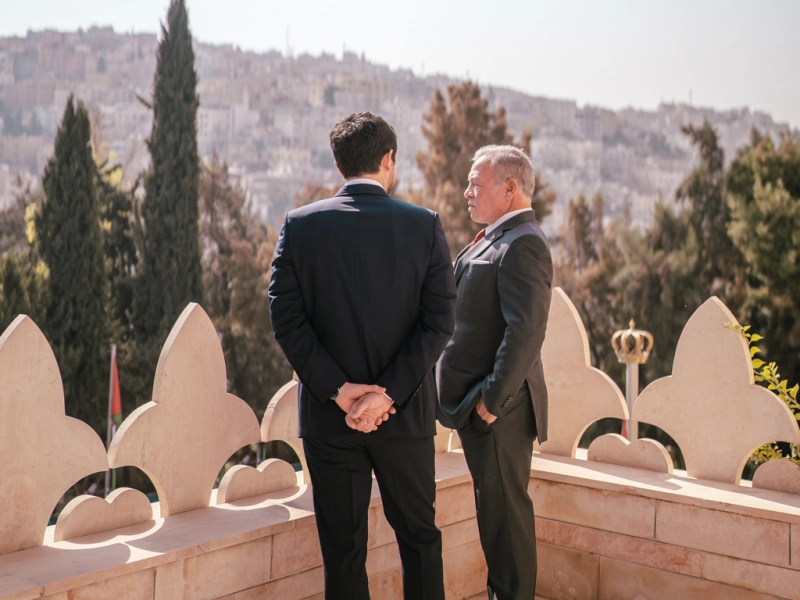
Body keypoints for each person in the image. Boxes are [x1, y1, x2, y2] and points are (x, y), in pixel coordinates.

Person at [269, 111, 456, 600]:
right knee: (419, 539)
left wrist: (340, 390)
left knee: (343, 551)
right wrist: (387, 394)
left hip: (331, 422)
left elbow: (286, 321)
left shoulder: (299, 226)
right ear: (389, 160)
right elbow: (439, 322)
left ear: (338, 165)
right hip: (406, 418)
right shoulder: (425, 226)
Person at [436, 145, 553, 600]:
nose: (467, 192)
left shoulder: (524, 243)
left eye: (476, 183)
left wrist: (490, 402)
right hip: (479, 410)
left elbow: (526, 333)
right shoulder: (493, 236)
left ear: (509, 188)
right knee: (494, 519)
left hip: (499, 414)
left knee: (506, 525)